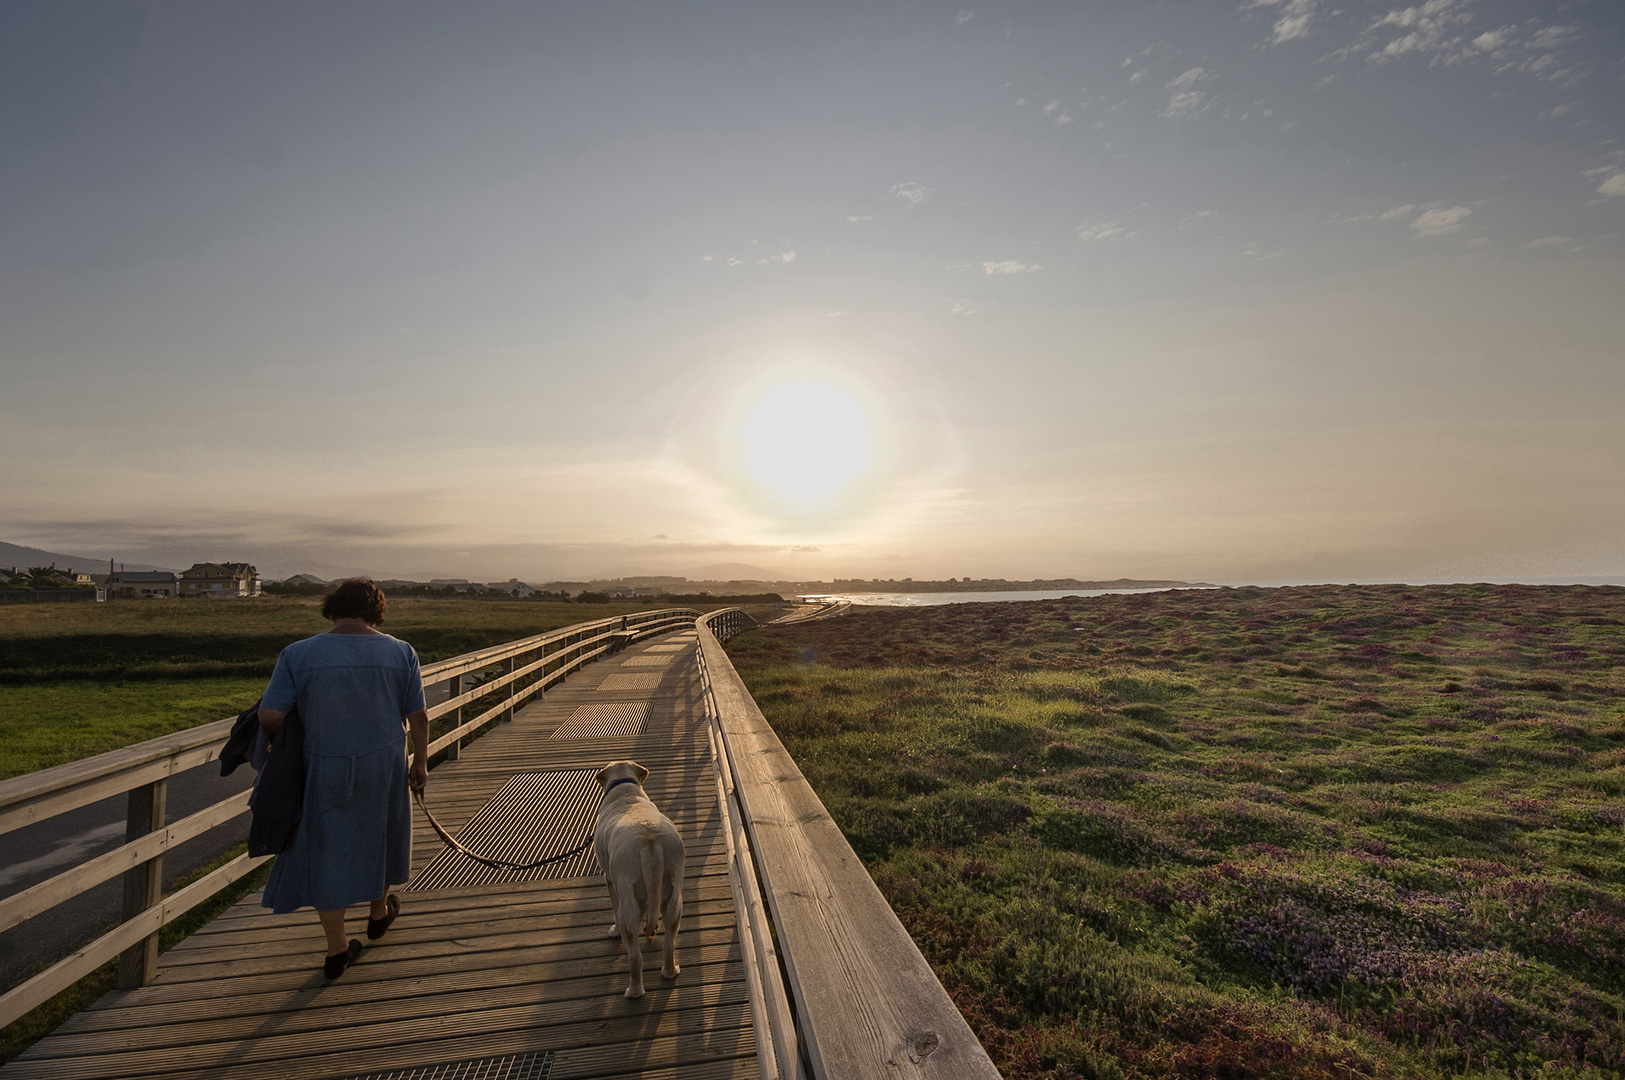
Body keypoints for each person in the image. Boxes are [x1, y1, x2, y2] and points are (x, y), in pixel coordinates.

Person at [256, 578, 430, 979]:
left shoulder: (299, 653)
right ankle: (377, 912)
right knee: (381, 834)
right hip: (383, 764)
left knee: (328, 845)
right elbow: (418, 715)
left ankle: (336, 948)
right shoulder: (400, 652)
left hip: (325, 764)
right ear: (377, 610)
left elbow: (271, 715)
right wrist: (419, 763)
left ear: (333, 607)